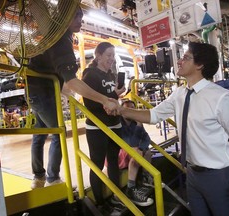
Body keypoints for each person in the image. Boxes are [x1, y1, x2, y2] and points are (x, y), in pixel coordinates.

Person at [106, 42, 229, 216]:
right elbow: (153, 115)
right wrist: (121, 109)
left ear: (200, 65)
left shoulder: (221, 98)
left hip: (220, 176)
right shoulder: (180, 94)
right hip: (192, 174)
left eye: (186, 57)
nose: (179, 61)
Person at [27, 6, 118, 189]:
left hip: (37, 91)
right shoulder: (61, 39)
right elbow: (73, 81)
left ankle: (38, 177)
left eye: (81, 16)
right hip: (43, 92)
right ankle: (52, 178)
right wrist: (105, 100)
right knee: (59, 134)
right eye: (76, 16)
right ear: (64, 18)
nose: (80, 20)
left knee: (39, 133)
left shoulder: (56, 35)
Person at [81, 42, 125, 210]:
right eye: (108, 55)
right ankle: (100, 203)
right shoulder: (90, 74)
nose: (112, 59)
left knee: (113, 161)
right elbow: (91, 103)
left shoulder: (110, 75)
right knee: (97, 164)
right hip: (97, 127)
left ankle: (116, 196)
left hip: (114, 125)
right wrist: (115, 94)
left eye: (113, 55)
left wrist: (117, 95)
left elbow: (111, 101)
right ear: (98, 55)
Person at [119, 99, 153, 207]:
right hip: (118, 154)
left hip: (132, 152)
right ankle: (131, 188)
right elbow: (130, 143)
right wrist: (139, 126)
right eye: (127, 108)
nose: (130, 111)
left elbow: (147, 138)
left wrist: (142, 148)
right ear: (122, 110)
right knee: (136, 151)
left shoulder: (134, 122)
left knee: (147, 152)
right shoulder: (119, 123)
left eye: (132, 109)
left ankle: (145, 178)